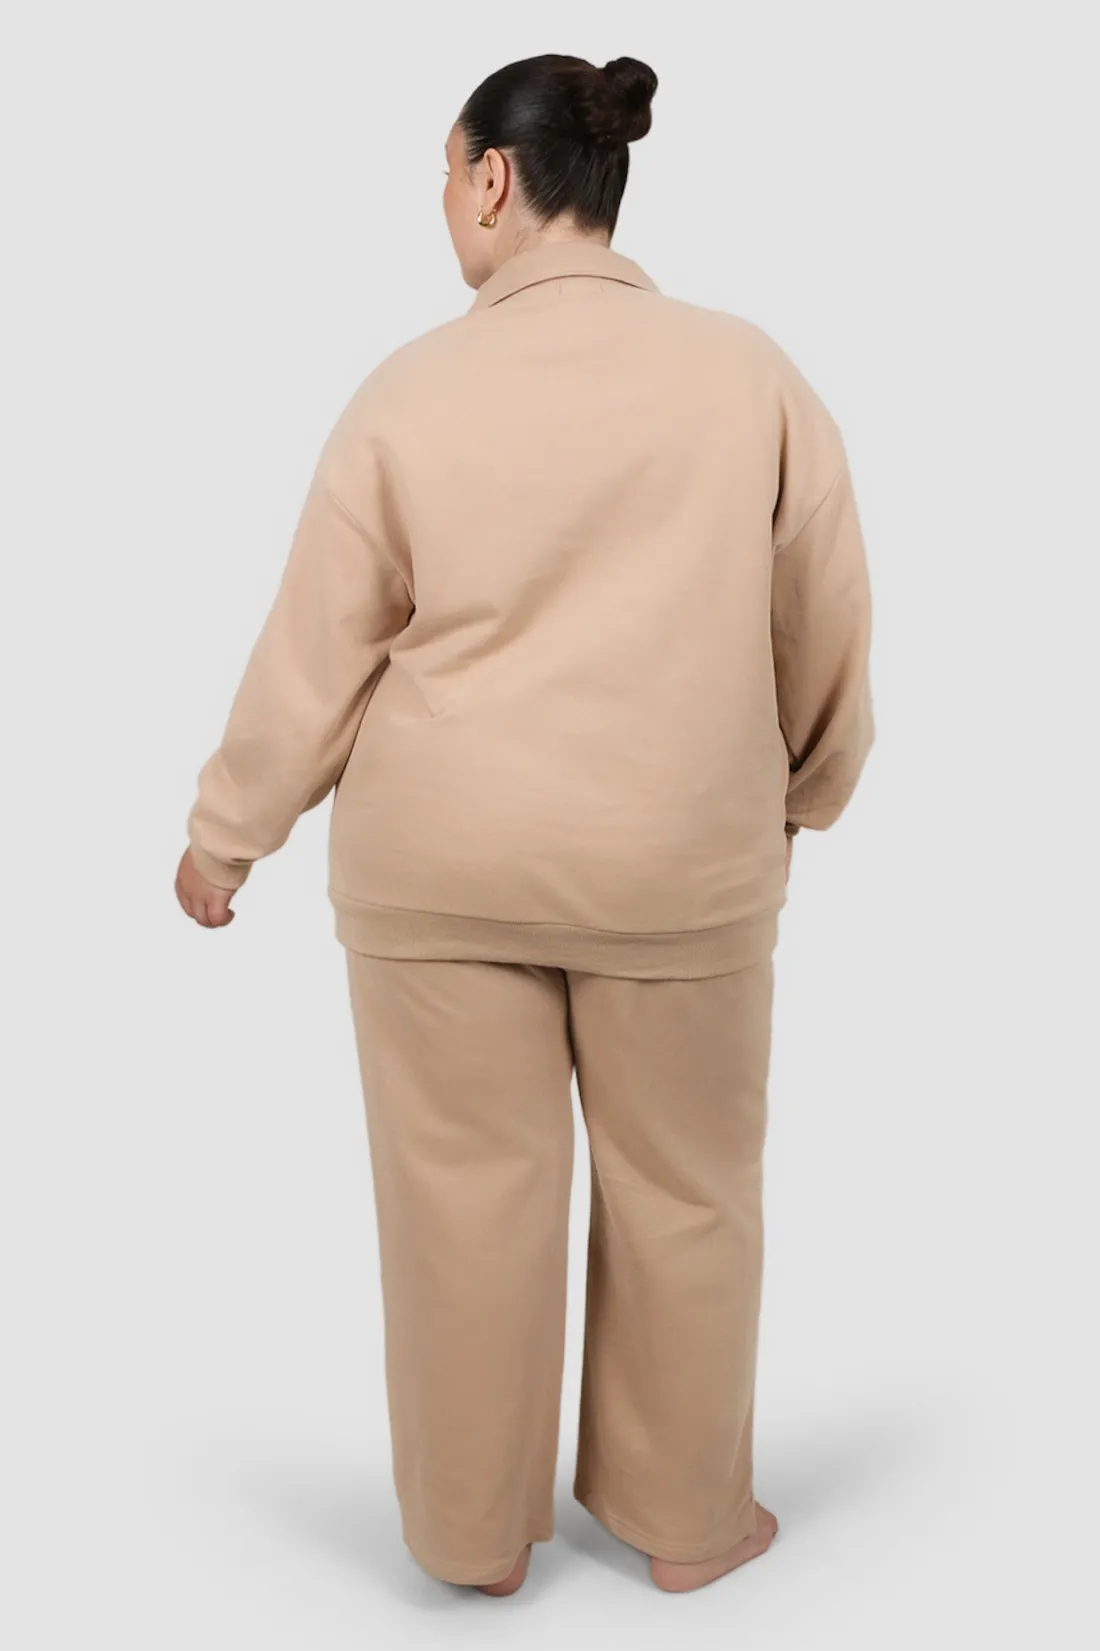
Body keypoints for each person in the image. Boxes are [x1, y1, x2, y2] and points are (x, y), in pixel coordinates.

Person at [176, 52, 873, 1597]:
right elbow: (824, 615)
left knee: (461, 1204)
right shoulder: (749, 375)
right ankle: (688, 1522)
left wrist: (228, 836)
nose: (443, 202)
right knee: (688, 1195)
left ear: (494, 179)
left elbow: (319, 648)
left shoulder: (407, 392)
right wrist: (807, 793)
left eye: (445, 173)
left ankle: (473, 1538)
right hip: (680, 868)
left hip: (440, 868)